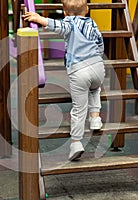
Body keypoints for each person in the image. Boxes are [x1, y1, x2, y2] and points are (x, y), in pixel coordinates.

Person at [23, 0, 105, 161]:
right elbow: (100, 42)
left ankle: (76, 143)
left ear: (65, 12)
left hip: (79, 69)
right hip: (97, 66)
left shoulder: (68, 23)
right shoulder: (92, 23)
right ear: (87, 9)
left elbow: (57, 26)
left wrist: (39, 18)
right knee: (95, 89)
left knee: (79, 108)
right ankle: (95, 118)